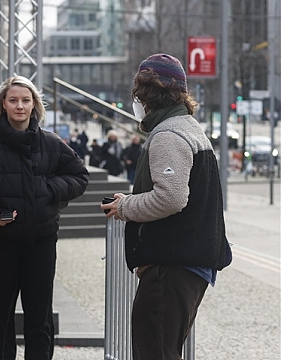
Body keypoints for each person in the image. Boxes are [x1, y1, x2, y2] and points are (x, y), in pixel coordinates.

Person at [100, 53, 232, 360]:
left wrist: (126, 207)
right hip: (188, 263)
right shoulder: (190, 128)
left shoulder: (168, 134)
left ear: (146, 96)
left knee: (154, 351)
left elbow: (171, 197)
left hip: (171, 265)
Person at [0, 76, 89, 360]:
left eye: (25, 100)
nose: (20, 106)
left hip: (41, 243)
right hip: (0, 243)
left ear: (35, 104)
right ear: (2, 104)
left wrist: (48, 191)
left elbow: (79, 176)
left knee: (40, 317)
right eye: (13, 100)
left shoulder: (51, 143)